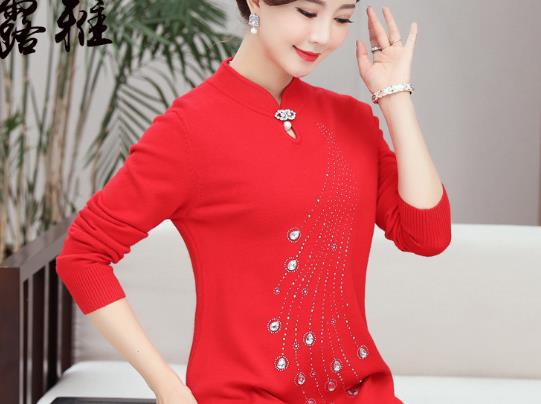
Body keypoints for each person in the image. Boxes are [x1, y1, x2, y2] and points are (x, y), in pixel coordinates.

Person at [55, 0, 452, 403]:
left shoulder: (351, 119)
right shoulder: (191, 129)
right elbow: (83, 255)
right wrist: (167, 387)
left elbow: (427, 236)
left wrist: (395, 98)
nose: (322, 36)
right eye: (307, 12)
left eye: (341, 18)